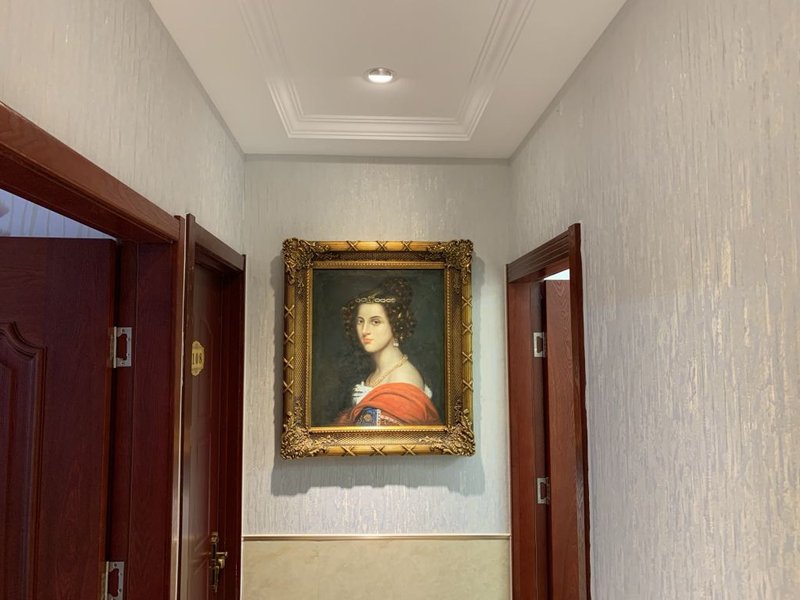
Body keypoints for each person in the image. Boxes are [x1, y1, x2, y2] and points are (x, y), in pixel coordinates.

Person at [335, 278, 441, 426]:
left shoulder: (403, 378)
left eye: (375, 322)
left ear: (395, 324)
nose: (364, 330)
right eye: (360, 321)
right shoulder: (378, 372)